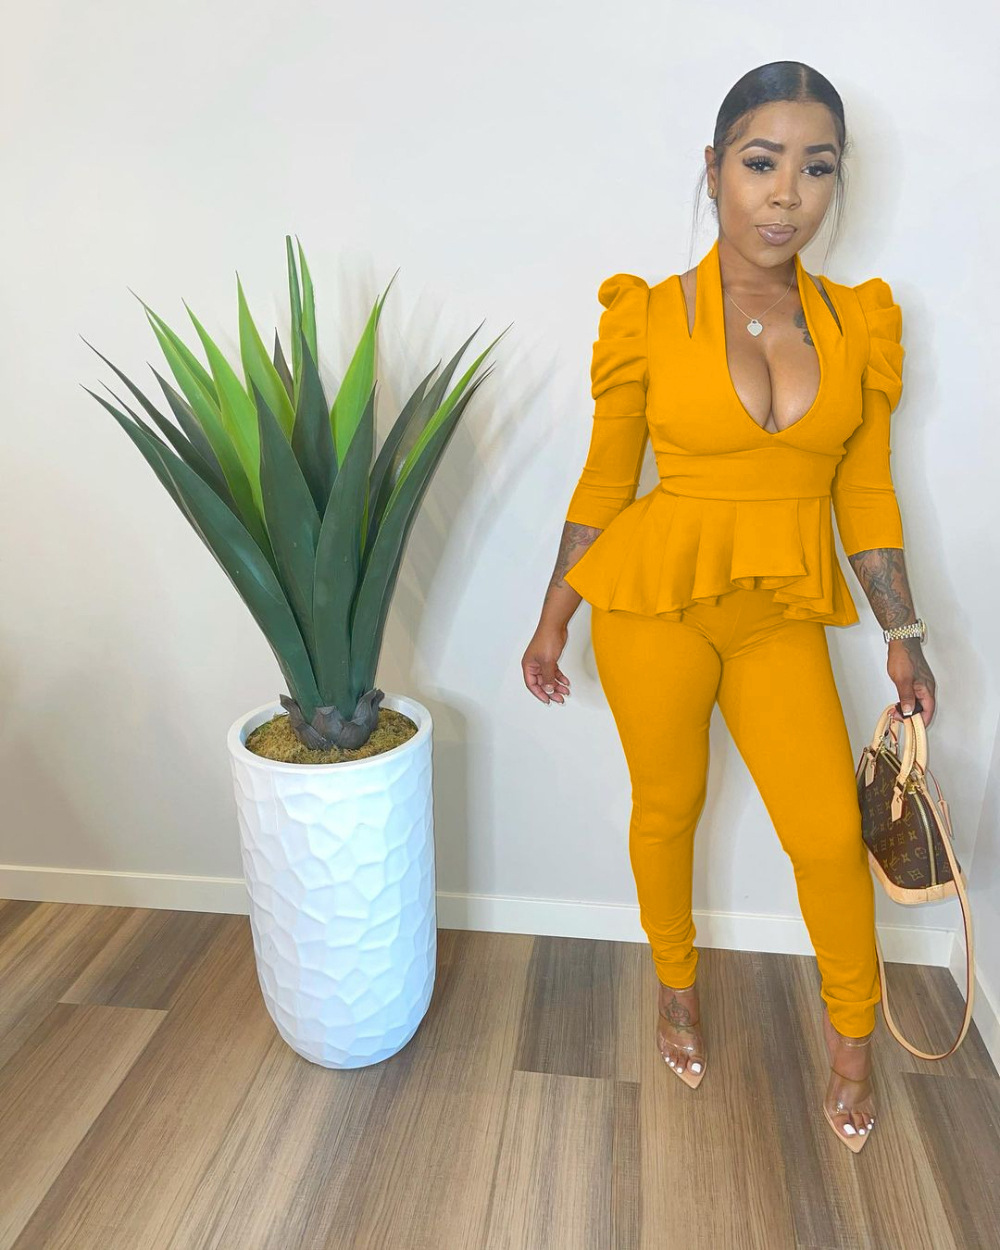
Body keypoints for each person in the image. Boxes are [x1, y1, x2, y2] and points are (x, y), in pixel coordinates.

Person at [520, 60, 937, 1153]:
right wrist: (554, 616)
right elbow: (605, 484)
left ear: (836, 181)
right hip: (652, 605)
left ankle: (853, 1045)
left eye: (816, 167)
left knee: (827, 835)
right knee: (668, 808)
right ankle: (675, 988)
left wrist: (903, 634)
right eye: (761, 162)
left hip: (778, 613)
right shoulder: (649, 315)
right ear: (713, 171)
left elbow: (865, 491)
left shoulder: (857, 323)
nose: (786, 193)